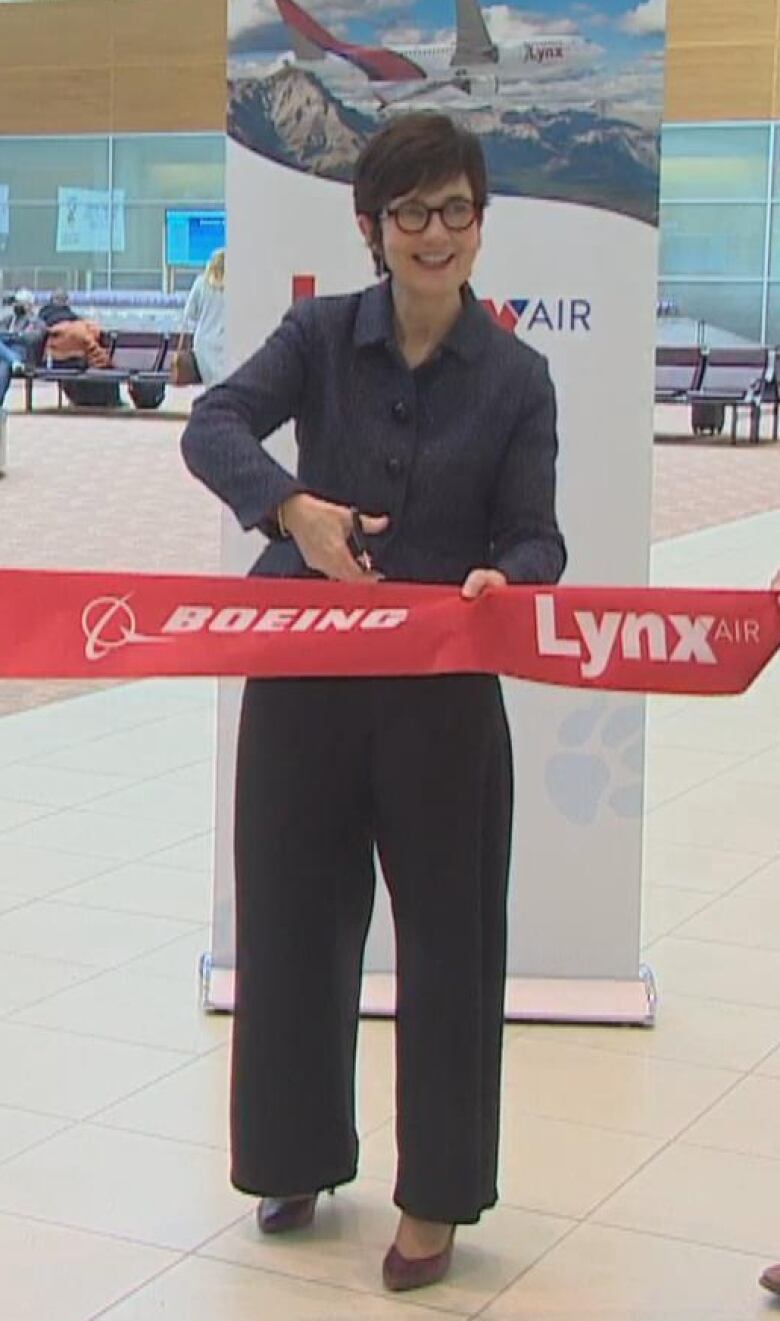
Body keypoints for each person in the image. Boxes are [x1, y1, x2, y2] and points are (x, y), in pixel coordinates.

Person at [181, 112, 566, 1293]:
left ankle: (440, 1195)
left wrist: (512, 579)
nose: (434, 234)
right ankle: (294, 1155)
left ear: (480, 223)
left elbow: (538, 534)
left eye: (456, 210)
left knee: (452, 940)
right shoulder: (317, 334)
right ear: (372, 229)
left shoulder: (516, 375)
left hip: (443, 699)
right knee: (295, 923)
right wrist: (292, 511)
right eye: (410, 214)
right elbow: (213, 424)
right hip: (304, 677)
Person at [179, 247, 225, 386]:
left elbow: (189, 315)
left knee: (210, 385)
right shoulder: (236, 286)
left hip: (203, 344)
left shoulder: (201, 283)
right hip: (225, 342)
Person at [0, 289, 40, 408]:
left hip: (23, 354)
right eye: (16, 302)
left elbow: (32, 338)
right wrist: (17, 335)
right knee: (4, 364)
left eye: (20, 303)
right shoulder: (8, 319)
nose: (17, 306)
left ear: (29, 305)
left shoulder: (36, 321)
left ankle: (13, 360)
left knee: (3, 366)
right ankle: (13, 360)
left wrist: (11, 336)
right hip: (6, 354)